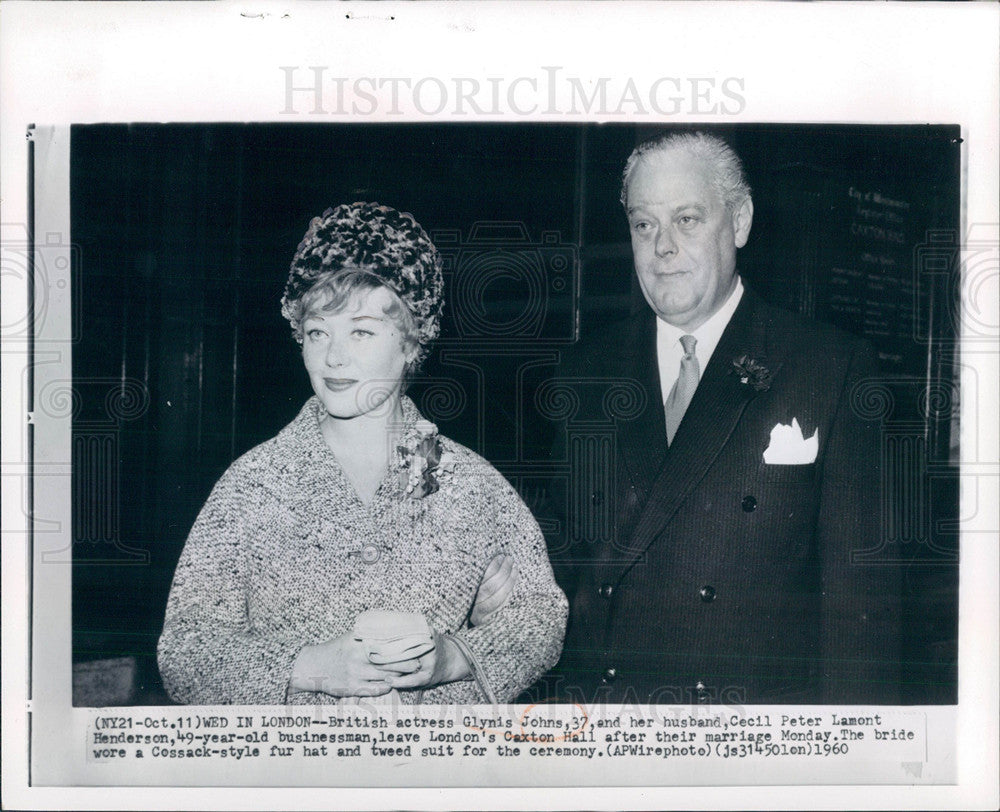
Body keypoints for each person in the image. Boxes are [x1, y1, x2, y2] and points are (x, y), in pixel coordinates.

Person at [157, 201, 567, 705]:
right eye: (317, 332)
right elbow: (183, 649)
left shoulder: (467, 483)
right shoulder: (254, 485)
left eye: (361, 331)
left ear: (413, 341)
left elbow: (542, 618)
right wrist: (307, 667)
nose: (333, 356)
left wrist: (455, 657)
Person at [546, 132, 900, 705]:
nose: (661, 247)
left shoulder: (829, 369)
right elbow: (562, 578)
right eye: (643, 224)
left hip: (747, 735)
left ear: (739, 222)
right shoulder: (585, 371)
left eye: (686, 219)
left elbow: (861, 610)